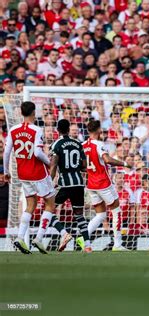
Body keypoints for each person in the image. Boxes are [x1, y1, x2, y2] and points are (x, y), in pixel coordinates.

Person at [3, 101, 56, 254]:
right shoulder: (36, 130)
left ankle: (20, 238)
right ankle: (39, 239)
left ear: (21, 112)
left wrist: (6, 172)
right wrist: (49, 162)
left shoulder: (13, 129)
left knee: (31, 204)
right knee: (50, 204)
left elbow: (7, 153)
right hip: (37, 172)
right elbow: (38, 153)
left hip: (23, 173)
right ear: (33, 113)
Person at [83, 120, 130, 251]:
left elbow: (82, 165)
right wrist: (125, 164)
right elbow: (108, 160)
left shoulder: (82, 145)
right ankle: (118, 244)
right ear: (98, 130)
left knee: (101, 215)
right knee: (116, 211)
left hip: (91, 184)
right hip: (102, 183)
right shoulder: (99, 144)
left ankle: (83, 237)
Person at [49, 119, 91, 252]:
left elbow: (54, 165)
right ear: (68, 129)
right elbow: (84, 166)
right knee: (79, 215)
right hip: (79, 183)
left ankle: (63, 233)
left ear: (58, 130)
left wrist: (49, 183)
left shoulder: (57, 144)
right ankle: (88, 246)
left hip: (65, 184)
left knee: (48, 210)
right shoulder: (78, 143)